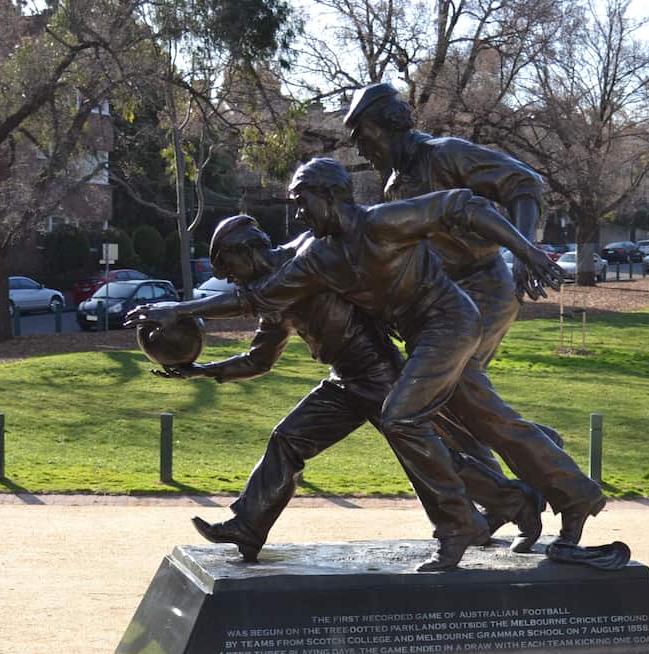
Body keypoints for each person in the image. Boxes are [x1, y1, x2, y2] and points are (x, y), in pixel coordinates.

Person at [128, 159, 561, 571]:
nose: (232, 278)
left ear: (249, 250)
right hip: (343, 382)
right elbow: (260, 359)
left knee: (426, 455)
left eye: (230, 267)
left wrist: (182, 309)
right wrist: (205, 370)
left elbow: (250, 299)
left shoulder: (303, 256)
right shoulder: (273, 297)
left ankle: (512, 501)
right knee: (288, 440)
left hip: (378, 373)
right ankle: (248, 528)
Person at [343, 83, 609, 545]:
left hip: (483, 290)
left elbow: (523, 183)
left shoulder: (444, 154)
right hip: (440, 303)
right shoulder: (393, 185)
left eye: (361, 133)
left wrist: (524, 252)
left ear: (387, 124)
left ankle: (569, 493)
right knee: (452, 407)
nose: (359, 147)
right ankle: (514, 489)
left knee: (462, 399)